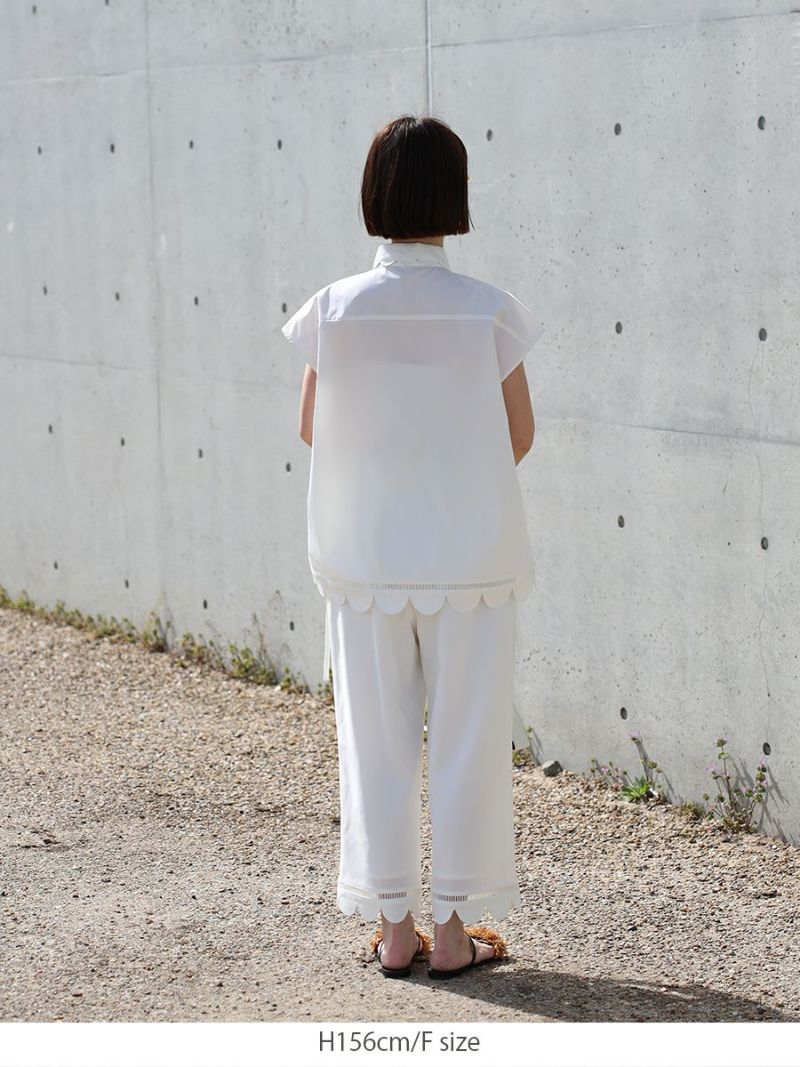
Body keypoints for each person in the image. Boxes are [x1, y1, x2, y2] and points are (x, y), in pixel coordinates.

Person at [280, 114, 545, 979]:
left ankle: (395, 930)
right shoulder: (486, 309)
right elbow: (519, 434)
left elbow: (313, 425)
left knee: (375, 743)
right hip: (472, 560)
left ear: (374, 195)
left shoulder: (334, 309)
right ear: (454, 198)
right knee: (469, 739)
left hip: (364, 562)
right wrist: (449, 480)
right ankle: (456, 932)